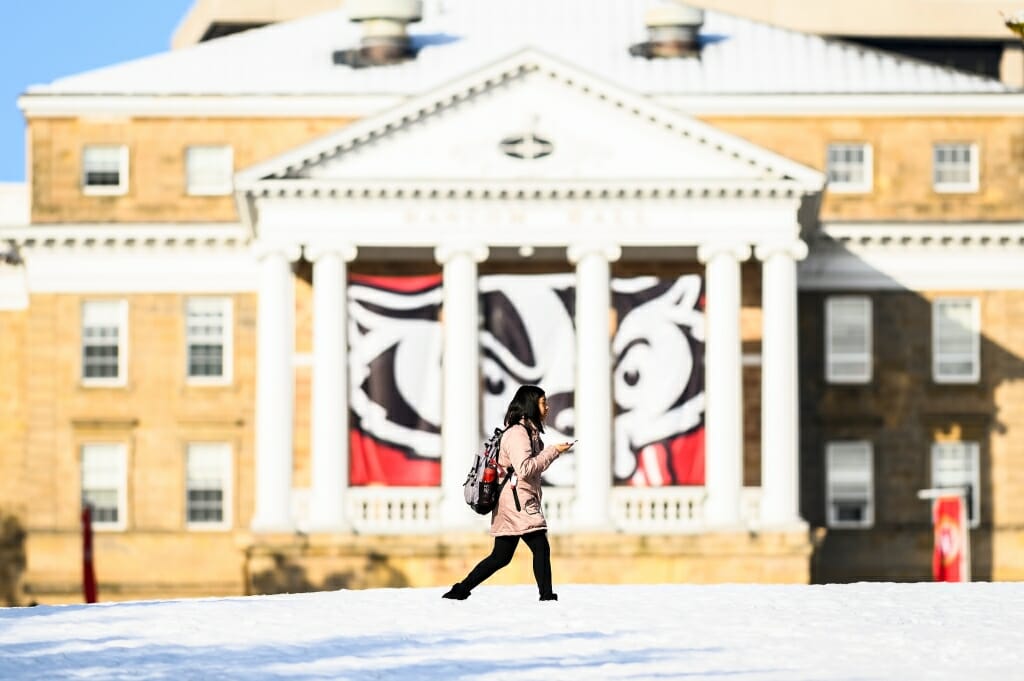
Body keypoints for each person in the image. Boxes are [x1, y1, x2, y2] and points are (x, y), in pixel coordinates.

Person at [442, 385, 575, 601]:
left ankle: (460, 590)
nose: (547, 407)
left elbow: (529, 467)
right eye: (543, 402)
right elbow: (524, 469)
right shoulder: (517, 434)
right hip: (516, 500)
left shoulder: (528, 432)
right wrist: (552, 451)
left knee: (500, 557)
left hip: (515, 498)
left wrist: (551, 453)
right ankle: (547, 597)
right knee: (540, 546)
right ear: (531, 404)